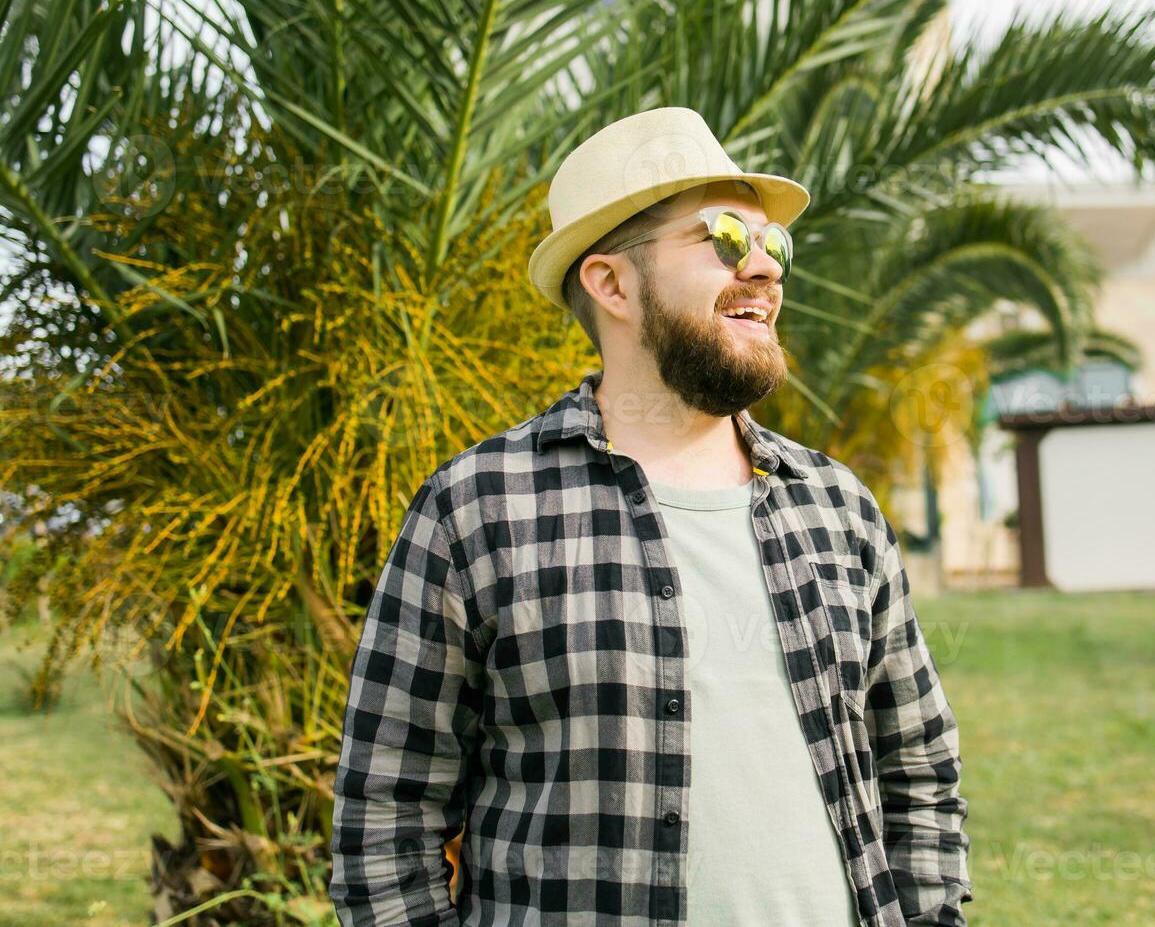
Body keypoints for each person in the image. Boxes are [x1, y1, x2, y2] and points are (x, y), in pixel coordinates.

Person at [329, 107, 972, 925]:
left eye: (774, 245)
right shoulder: (477, 509)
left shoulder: (837, 506)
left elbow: (917, 770)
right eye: (727, 239)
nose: (767, 271)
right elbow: (385, 814)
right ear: (612, 283)